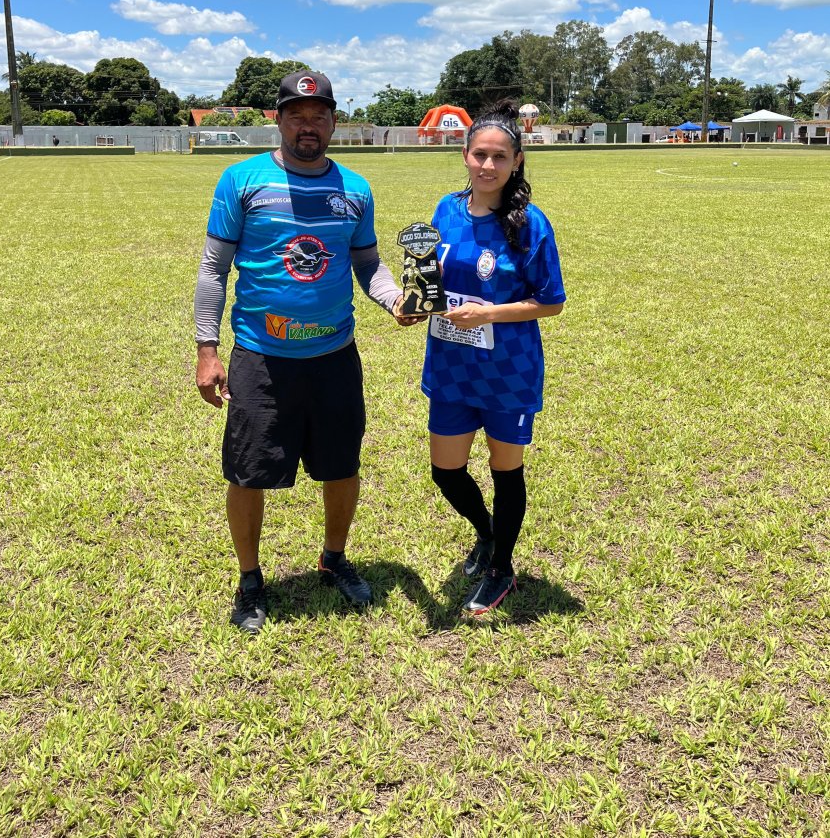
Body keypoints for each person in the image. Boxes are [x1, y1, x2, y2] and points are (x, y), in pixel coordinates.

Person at [194, 71, 410, 634]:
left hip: (335, 356)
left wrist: (393, 299)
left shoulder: (355, 189)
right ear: (279, 119)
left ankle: (334, 558)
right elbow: (215, 268)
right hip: (261, 358)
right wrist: (206, 348)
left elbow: (367, 263)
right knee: (247, 472)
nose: (308, 126)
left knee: (341, 466)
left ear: (334, 121)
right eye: (297, 115)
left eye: (319, 116)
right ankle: (250, 580)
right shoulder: (242, 180)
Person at [418, 100, 566, 615]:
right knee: (446, 470)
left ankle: (503, 567)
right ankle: (485, 534)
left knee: (506, 472)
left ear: (517, 161)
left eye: (499, 157)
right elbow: (432, 276)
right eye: (479, 154)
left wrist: (491, 314)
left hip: (508, 371)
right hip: (452, 364)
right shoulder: (445, 210)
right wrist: (419, 301)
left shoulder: (528, 223)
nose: (487, 165)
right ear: (464, 154)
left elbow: (552, 301)